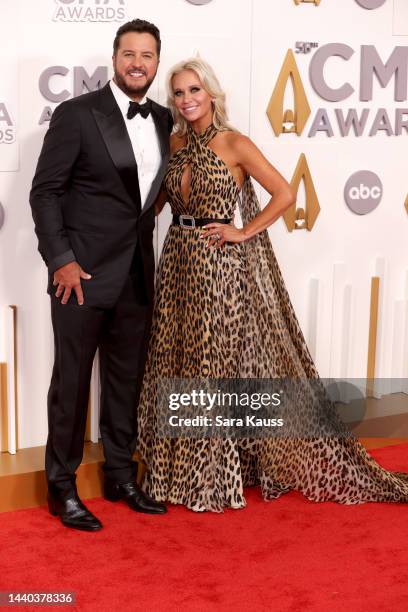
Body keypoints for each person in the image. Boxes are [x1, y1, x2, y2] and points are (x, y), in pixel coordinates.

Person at [136, 57, 408, 512]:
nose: (186, 100)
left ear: (212, 94)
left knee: (210, 368)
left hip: (219, 269)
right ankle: (171, 473)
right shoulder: (175, 142)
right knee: (173, 362)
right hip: (178, 263)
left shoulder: (235, 143)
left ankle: (210, 480)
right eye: (179, 93)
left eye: (194, 91)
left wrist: (242, 231)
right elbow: (157, 202)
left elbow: (284, 193)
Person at [29, 19, 173, 531]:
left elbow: (146, 198)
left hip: (136, 272)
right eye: (129, 54)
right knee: (70, 385)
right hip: (80, 274)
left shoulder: (163, 119)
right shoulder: (78, 114)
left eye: (148, 55)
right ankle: (62, 488)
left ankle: (120, 475)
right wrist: (60, 260)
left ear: (157, 61)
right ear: (114, 59)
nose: (138, 63)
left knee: (124, 381)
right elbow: (44, 192)